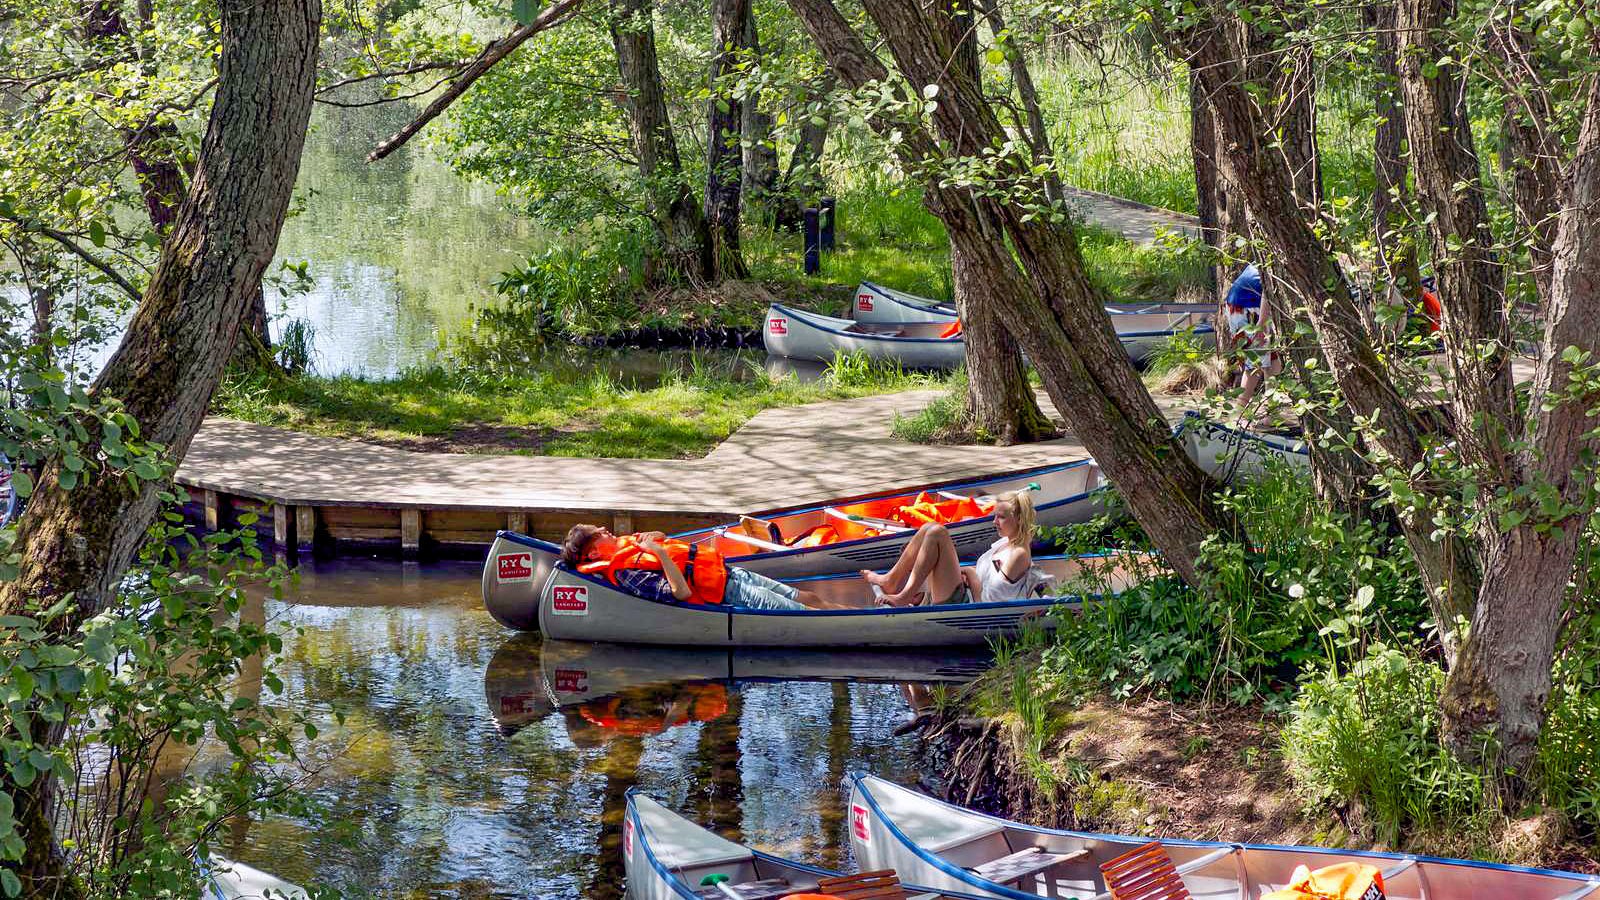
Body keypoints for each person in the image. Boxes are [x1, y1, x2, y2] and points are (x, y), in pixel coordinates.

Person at [559, 524, 830, 610]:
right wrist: (658, 554)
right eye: (599, 533)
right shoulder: (625, 572)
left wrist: (654, 539)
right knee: (801, 611)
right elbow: (681, 593)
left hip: (727, 572)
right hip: (725, 592)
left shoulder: (626, 544)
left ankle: (860, 614)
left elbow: (662, 537)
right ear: (594, 551)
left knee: (810, 597)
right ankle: (863, 623)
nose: (606, 529)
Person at [861, 489, 1042, 607]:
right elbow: (986, 580)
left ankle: (904, 597)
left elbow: (987, 603)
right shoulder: (1005, 543)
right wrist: (965, 571)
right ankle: (891, 580)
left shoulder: (1018, 554)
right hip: (962, 592)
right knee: (928, 527)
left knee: (938, 532)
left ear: (1019, 519)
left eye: (1001, 517)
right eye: (995, 516)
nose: (994, 522)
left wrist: (969, 574)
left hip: (967, 604)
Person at [1224, 264, 1282, 409]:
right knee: (1254, 365)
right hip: (1246, 308)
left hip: (1244, 305)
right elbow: (1268, 291)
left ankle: (1272, 413)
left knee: (1273, 364)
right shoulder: (1276, 260)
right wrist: (1261, 323)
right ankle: (1239, 413)